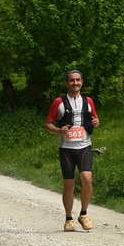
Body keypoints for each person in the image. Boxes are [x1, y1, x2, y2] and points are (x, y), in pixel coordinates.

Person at [45, 70, 101, 231]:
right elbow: (48, 124)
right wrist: (58, 130)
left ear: (82, 82)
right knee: (69, 186)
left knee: (87, 179)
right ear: (66, 83)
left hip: (84, 146)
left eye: (78, 80)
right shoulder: (58, 102)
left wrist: (96, 122)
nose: (75, 83)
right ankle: (69, 219)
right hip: (66, 149)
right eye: (71, 80)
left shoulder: (88, 101)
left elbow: (95, 119)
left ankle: (83, 214)